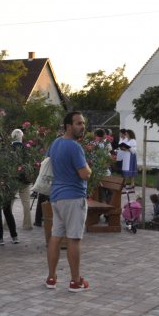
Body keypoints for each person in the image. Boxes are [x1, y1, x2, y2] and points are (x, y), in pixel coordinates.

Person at [45, 111, 92, 292]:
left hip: (56, 196)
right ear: (68, 126)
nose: (83, 127)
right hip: (73, 197)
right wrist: (89, 170)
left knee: (56, 237)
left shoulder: (55, 143)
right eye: (79, 123)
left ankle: (51, 278)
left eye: (83, 123)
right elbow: (84, 174)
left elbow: (48, 163)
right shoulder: (74, 147)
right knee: (74, 238)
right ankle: (75, 281)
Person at [11, 129, 33, 231]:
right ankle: (27, 225)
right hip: (25, 179)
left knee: (9, 204)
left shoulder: (9, 149)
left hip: (12, 179)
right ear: (22, 137)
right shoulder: (27, 149)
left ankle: (7, 224)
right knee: (26, 203)